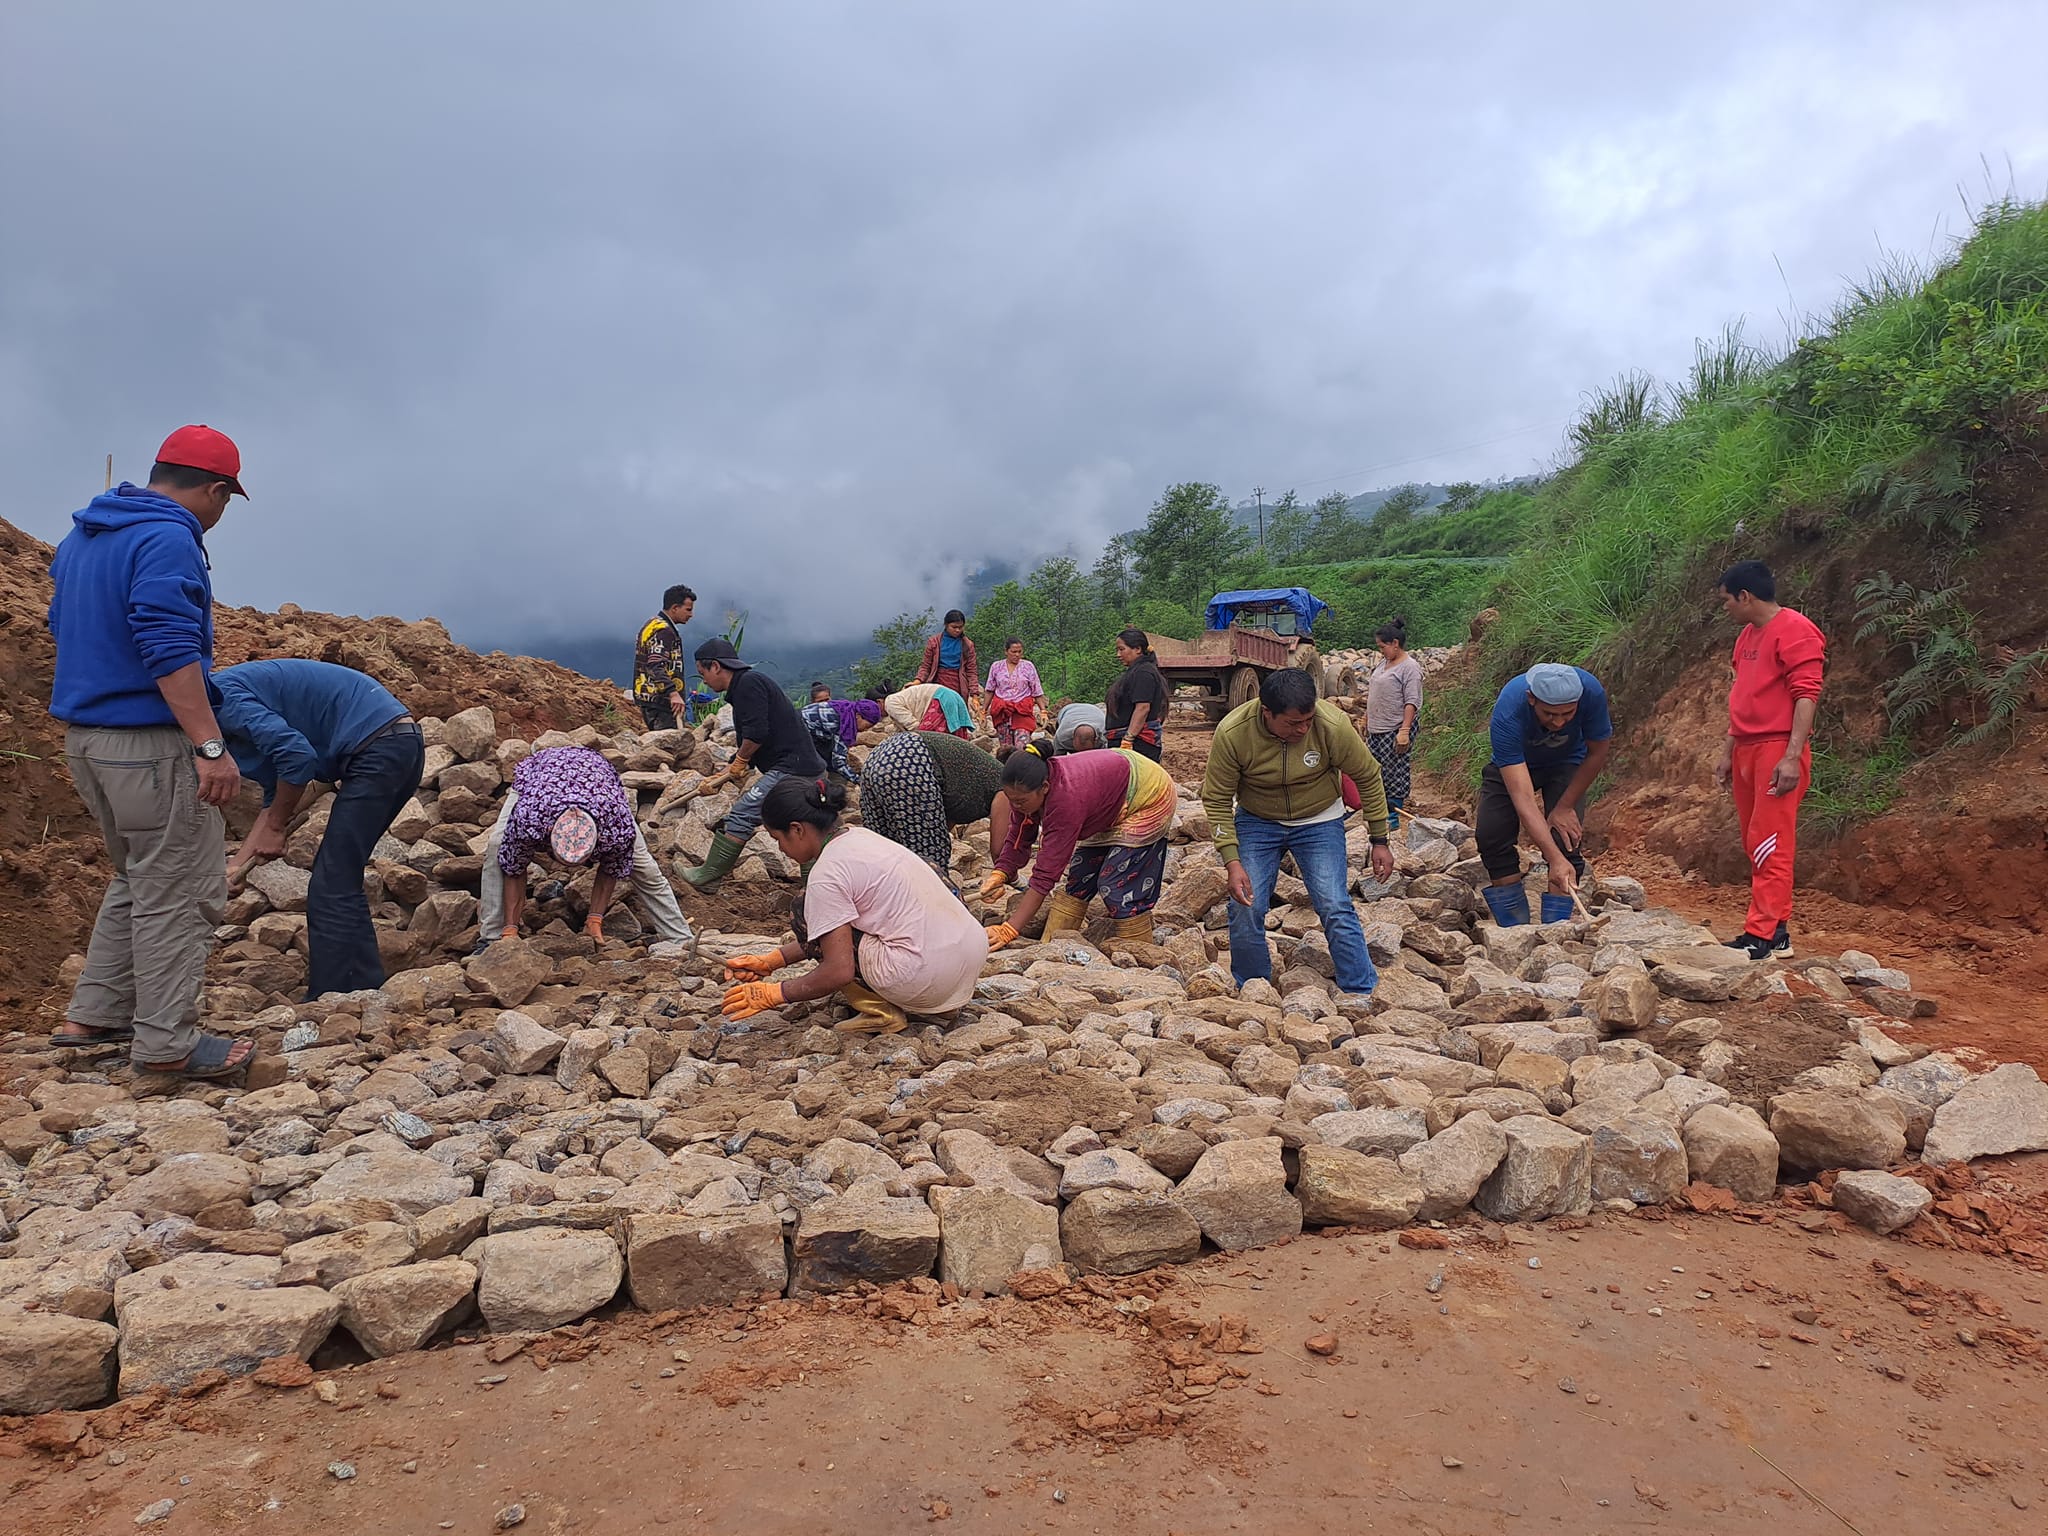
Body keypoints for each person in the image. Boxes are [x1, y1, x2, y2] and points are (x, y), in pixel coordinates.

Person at [47, 426, 254, 1080]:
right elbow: (168, 648)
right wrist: (209, 744)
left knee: (138, 875)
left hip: (86, 741)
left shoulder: (84, 537)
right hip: (146, 743)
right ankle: (168, 1046)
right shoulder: (167, 538)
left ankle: (94, 1014)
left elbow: (61, 626)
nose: (221, 515)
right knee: (179, 889)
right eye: (226, 501)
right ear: (215, 491)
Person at [213, 659, 424, 999]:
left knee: (333, 881)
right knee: (339, 876)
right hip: (395, 743)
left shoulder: (222, 699)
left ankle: (336, 997)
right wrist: (237, 866)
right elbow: (277, 800)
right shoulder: (230, 713)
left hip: (378, 746)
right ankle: (361, 987)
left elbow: (297, 756)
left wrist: (278, 825)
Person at [720, 778, 989, 1034]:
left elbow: (839, 970)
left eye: (778, 839)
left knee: (805, 908)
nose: (781, 849)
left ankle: (879, 1011)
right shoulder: (861, 837)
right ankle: (936, 1002)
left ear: (797, 829)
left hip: (925, 979)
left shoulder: (826, 874)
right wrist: (772, 961)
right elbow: (839, 927)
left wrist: (777, 993)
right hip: (969, 961)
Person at [1203, 668, 1396, 996]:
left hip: (1319, 819)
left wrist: (1380, 838)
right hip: (1258, 820)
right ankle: (1253, 987)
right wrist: (1232, 861)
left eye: (1307, 719)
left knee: (1333, 902)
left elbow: (1368, 775)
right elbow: (1217, 797)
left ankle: (1360, 990)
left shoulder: (1332, 725)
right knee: (1245, 904)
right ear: (1267, 713)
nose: (1303, 728)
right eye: (1293, 723)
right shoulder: (1233, 732)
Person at [1714, 560, 1825, 959]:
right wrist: (1728, 751)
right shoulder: (1746, 636)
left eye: (1727, 600)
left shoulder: (1796, 630)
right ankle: (1775, 930)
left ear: (1745, 596)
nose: (1724, 607)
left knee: (1771, 843)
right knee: (1756, 841)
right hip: (1746, 747)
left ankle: (1759, 936)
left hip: (1776, 748)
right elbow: (1741, 693)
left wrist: (1792, 756)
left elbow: (1806, 694)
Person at [480, 744, 694, 948]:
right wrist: (511, 930)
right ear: (547, 834)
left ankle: (680, 939)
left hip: (597, 777)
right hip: (541, 774)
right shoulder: (529, 819)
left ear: (599, 841)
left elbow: (610, 869)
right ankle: (491, 938)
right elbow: (515, 869)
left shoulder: (616, 827)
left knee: (644, 867)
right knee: (497, 846)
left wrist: (595, 920)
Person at [982, 739, 1177, 949]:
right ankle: (1052, 947)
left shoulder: (1065, 801)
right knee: (1079, 878)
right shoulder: (1027, 794)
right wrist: (1001, 871)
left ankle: (1142, 957)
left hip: (1149, 793)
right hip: (1109, 794)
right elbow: (1020, 834)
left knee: (1117, 885)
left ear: (1045, 787)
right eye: (1012, 800)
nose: (1015, 806)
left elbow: (1045, 875)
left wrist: (1009, 928)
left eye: (1020, 801)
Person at [680, 639, 826, 890]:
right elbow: (756, 738)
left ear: (715, 666)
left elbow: (757, 733)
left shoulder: (749, 683)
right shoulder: (746, 687)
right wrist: (729, 769)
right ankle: (815, 887)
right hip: (803, 768)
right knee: (805, 823)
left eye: (703, 673)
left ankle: (708, 877)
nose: (704, 680)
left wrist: (741, 760)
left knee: (742, 813)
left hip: (793, 769)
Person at [1478, 663, 1613, 927]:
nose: (1559, 722)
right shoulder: (1510, 706)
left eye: (1567, 713)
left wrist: (1564, 807)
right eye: (1549, 714)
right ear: (1531, 699)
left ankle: (1556, 931)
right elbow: (1524, 799)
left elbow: (1597, 752)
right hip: (1514, 765)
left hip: (1566, 763)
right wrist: (1553, 859)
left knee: (1566, 840)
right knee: (1491, 834)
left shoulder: (1591, 693)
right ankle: (1515, 927)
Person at [858, 730, 1012, 884]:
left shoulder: (977, 778)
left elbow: (940, 821)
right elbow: (999, 852)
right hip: (910, 760)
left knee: (882, 850)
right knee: (930, 861)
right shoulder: (1006, 787)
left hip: (879, 757)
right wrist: (1018, 882)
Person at [1364, 618, 1423, 831]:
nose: (1380, 651)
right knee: (1376, 768)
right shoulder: (1383, 664)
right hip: (1377, 727)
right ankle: (1378, 810)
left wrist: (1404, 730)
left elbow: (1412, 700)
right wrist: (1367, 718)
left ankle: (1393, 816)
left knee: (1394, 770)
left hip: (1396, 727)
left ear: (1395, 643)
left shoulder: (1410, 668)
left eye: (1382, 647)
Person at [632, 584, 696, 732]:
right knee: (668, 747)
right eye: (688, 609)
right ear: (674, 608)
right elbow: (655, 665)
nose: (691, 615)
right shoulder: (664, 631)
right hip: (661, 701)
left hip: (647, 696)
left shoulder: (651, 625)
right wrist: (673, 694)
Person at [1105, 628, 1169, 761]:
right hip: (1129, 742)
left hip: (1138, 745)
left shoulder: (1143, 673)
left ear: (1138, 649)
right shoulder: (1137, 671)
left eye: (1122, 649)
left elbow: (1143, 708)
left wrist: (1128, 739)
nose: (1118, 654)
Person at [984, 638, 1044, 750]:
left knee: (1022, 744)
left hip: (1021, 710)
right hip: (1003, 711)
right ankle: (1007, 767)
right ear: (1006, 651)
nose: (1017, 655)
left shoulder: (1028, 666)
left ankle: (1022, 766)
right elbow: (990, 689)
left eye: (1019, 652)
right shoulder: (996, 667)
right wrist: (983, 711)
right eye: (1013, 652)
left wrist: (1043, 711)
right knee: (1006, 747)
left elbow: (1037, 690)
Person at [915, 609, 981, 708]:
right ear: (946, 625)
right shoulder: (934, 643)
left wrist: (974, 694)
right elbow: (926, 666)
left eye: (960, 627)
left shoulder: (967, 645)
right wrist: (918, 680)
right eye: (954, 627)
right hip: (938, 683)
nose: (957, 630)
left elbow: (971, 671)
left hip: (958, 685)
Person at [802, 683, 862, 784]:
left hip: (829, 754)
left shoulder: (840, 718)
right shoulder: (809, 721)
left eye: (827, 700)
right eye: (820, 701)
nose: (824, 704)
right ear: (812, 703)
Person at [884, 681, 974, 737]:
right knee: (954, 741)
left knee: (928, 739)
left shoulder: (889, 702)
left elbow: (913, 725)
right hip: (954, 696)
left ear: (879, 701)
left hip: (940, 699)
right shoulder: (901, 697)